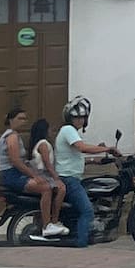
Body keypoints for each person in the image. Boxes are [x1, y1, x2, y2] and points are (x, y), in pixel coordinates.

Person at [54, 97, 117, 248]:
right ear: (70, 118)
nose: (80, 120)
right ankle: (81, 244)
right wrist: (107, 148)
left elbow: (75, 156)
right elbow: (82, 148)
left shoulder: (71, 133)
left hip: (72, 178)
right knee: (87, 211)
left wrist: (97, 160)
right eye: (76, 117)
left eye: (82, 117)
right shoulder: (68, 130)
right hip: (69, 179)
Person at [0, 108, 68, 238]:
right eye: (20, 118)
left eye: (24, 119)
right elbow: (16, 161)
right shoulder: (12, 136)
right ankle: (47, 225)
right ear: (11, 120)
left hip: (13, 174)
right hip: (12, 175)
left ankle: (43, 220)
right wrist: (34, 175)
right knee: (46, 188)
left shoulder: (12, 135)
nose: (23, 121)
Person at [26, 117, 67, 232]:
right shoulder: (43, 144)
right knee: (62, 189)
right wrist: (56, 178)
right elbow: (47, 163)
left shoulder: (37, 144)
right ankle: (54, 220)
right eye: (49, 129)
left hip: (43, 174)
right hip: (44, 174)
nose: (51, 132)